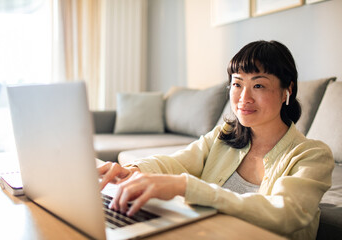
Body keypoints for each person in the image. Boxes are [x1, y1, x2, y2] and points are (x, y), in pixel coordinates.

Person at [98, 40, 334, 240]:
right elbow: (175, 163)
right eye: (237, 84)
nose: (244, 98)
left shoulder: (312, 155)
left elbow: (285, 214)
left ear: (287, 91)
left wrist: (186, 186)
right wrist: (130, 171)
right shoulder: (225, 135)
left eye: (258, 85)